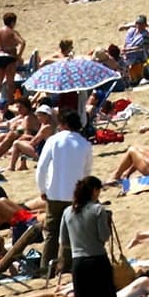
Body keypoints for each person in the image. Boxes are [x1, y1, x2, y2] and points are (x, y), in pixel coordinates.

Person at [36, 112, 94, 277]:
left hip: (54, 193)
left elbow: (42, 168)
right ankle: (66, 267)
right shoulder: (85, 144)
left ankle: (46, 270)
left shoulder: (54, 140)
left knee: (52, 234)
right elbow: (87, 172)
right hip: (75, 195)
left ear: (64, 123)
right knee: (71, 232)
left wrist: (42, 189)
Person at [59, 176, 113, 297]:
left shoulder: (67, 211)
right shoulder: (98, 209)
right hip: (98, 260)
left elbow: (64, 241)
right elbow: (104, 237)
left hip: (78, 262)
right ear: (94, 190)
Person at [0, 12, 26, 108]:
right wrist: (19, 55)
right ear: (12, 22)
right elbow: (23, 42)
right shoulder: (12, 32)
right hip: (10, 56)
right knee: (10, 82)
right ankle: (10, 102)